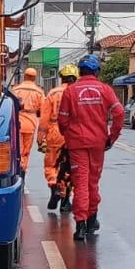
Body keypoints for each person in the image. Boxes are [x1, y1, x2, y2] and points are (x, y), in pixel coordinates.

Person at [57, 53, 124, 242]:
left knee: (80, 183)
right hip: (98, 143)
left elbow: (62, 120)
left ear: (80, 70)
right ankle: (92, 218)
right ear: (97, 71)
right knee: (92, 182)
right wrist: (111, 137)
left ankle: (80, 225)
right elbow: (119, 114)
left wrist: (68, 135)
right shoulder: (105, 90)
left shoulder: (70, 91)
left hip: (77, 143)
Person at [39, 64, 79, 211]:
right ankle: (65, 200)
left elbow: (44, 118)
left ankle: (55, 188)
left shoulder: (52, 93)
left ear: (61, 77)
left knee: (51, 165)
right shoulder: (77, 93)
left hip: (54, 132)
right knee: (70, 167)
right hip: (72, 133)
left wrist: (40, 137)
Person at [10, 66, 45, 170]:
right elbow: (43, 111)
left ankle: (18, 170)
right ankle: (23, 170)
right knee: (26, 151)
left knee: (17, 150)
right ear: (34, 78)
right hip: (31, 124)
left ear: (24, 76)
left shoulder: (15, 89)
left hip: (17, 122)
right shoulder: (39, 92)